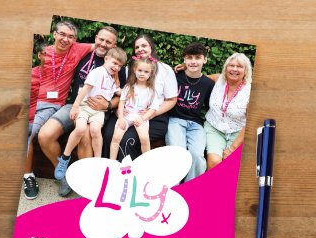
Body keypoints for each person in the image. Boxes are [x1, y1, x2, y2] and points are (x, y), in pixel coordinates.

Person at [36, 26, 122, 197]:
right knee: (44, 136)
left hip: (98, 111)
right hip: (74, 104)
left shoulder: (116, 65)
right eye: (101, 39)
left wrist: (106, 106)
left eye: (108, 42)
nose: (103, 44)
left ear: (114, 45)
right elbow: (60, 46)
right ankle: (65, 176)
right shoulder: (80, 52)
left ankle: (88, 183)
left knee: (85, 135)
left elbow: (121, 96)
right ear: (95, 38)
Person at [22, 21, 95, 200]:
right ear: (54, 34)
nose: (65, 39)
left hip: (51, 105)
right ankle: (28, 175)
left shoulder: (77, 49)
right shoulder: (44, 53)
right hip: (34, 102)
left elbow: (102, 44)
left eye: (70, 36)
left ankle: (58, 174)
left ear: (75, 40)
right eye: (62, 34)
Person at [53, 47, 127, 180]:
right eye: (114, 63)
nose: (116, 67)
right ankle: (65, 158)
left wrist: (125, 91)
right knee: (80, 129)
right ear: (106, 59)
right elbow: (85, 89)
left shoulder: (112, 78)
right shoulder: (97, 72)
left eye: (120, 66)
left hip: (98, 111)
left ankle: (97, 162)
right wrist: (75, 107)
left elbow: (118, 92)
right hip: (85, 106)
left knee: (95, 130)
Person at [102, 34, 179, 161]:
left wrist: (151, 114)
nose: (140, 49)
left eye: (144, 45)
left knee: (129, 140)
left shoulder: (165, 70)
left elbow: (172, 100)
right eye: (137, 47)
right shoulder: (129, 69)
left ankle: (131, 174)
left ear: (151, 47)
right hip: (127, 112)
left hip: (154, 116)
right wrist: (118, 111)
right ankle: (109, 169)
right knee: (109, 133)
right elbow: (120, 94)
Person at [165, 43, 216, 182]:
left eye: (198, 58)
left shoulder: (208, 84)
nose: (193, 61)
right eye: (189, 58)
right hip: (176, 120)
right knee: (178, 152)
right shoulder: (175, 76)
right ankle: (173, 186)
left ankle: (190, 187)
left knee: (197, 156)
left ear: (205, 60)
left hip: (196, 124)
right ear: (184, 60)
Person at [205, 53, 253, 170]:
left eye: (239, 66)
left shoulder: (250, 92)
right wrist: (185, 66)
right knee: (214, 161)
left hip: (238, 133)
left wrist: (233, 148)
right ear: (226, 68)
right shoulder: (217, 79)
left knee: (231, 166)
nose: (234, 69)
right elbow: (196, 77)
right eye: (231, 65)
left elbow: (251, 123)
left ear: (246, 71)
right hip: (214, 128)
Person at [110, 57, 162, 160]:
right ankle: (112, 162)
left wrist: (143, 118)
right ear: (134, 70)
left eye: (146, 71)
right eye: (140, 70)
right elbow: (121, 102)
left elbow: (153, 108)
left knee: (144, 138)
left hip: (140, 117)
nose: (142, 73)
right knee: (116, 138)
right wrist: (120, 117)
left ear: (151, 74)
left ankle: (145, 161)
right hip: (126, 115)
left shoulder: (151, 90)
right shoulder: (129, 87)